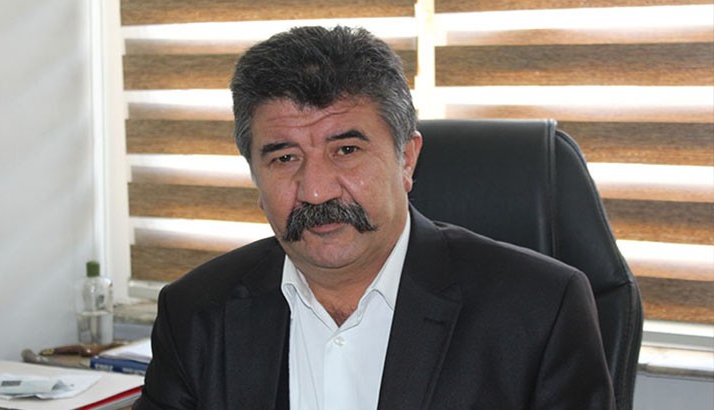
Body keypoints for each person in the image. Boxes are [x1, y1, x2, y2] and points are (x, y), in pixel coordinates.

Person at [134, 26, 614, 409]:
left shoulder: (539, 310)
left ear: (406, 159)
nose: (316, 190)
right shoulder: (195, 313)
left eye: (346, 150)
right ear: (255, 177)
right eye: (284, 158)